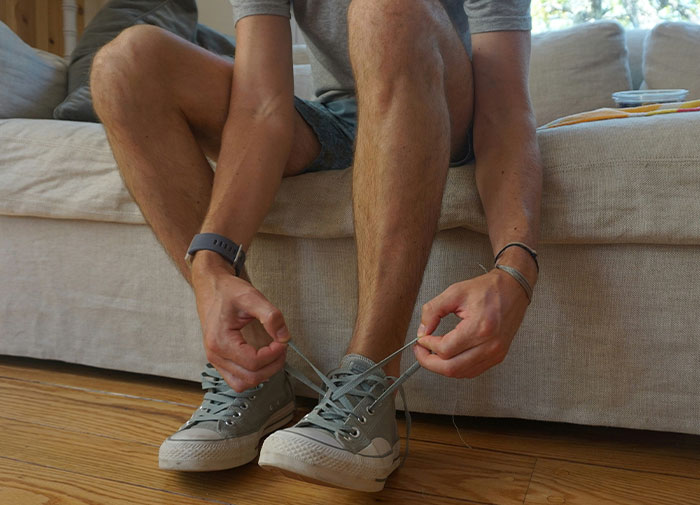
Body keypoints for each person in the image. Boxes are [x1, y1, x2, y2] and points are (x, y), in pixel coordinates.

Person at [90, 0, 541, 493]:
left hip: (443, 105)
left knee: (384, 7)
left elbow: (504, 108)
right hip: (338, 116)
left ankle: (367, 383)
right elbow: (261, 105)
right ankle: (252, 374)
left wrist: (516, 270)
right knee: (127, 63)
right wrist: (210, 265)